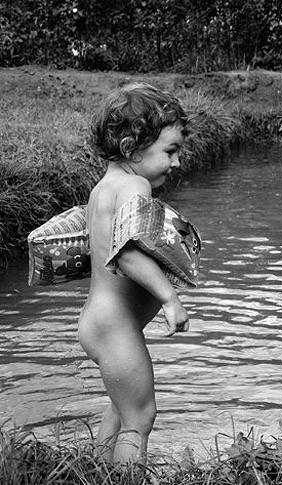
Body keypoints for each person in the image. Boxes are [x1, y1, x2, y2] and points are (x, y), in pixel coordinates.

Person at [77, 83, 195, 464]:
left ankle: (94, 471)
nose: (176, 163)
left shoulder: (104, 188)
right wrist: (170, 299)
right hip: (115, 327)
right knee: (140, 417)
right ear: (132, 148)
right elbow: (126, 253)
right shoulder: (135, 185)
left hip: (99, 321)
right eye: (170, 151)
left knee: (121, 409)